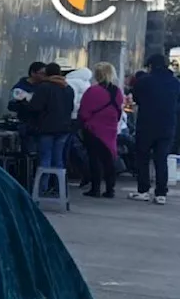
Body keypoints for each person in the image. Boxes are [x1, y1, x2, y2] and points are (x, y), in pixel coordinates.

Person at [127, 53, 179, 205]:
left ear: (150, 65)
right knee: (161, 159)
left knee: (142, 158)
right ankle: (161, 193)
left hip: (146, 124)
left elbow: (135, 98)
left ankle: (143, 190)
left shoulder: (144, 81)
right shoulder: (175, 82)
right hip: (167, 125)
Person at [77, 62, 125, 199]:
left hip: (93, 129)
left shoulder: (93, 91)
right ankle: (110, 189)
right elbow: (119, 109)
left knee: (94, 159)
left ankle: (95, 188)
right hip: (110, 129)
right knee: (109, 159)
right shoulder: (117, 91)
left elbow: (84, 112)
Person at [27, 63, 75, 176]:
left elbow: (35, 107)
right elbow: (71, 108)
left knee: (45, 158)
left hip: (46, 128)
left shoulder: (44, 87)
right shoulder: (68, 88)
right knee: (59, 159)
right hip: (64, 128)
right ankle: (60, 188)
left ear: (47, 73)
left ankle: (42, 189)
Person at [8, 62, 47, 157]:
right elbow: (11, 105)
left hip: (42, 126)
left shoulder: (44, 87)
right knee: (30, 153)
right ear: (33, 73)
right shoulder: (20, 88)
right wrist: (25, 105)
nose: (44, 76)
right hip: (27, 124)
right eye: (41, 73)